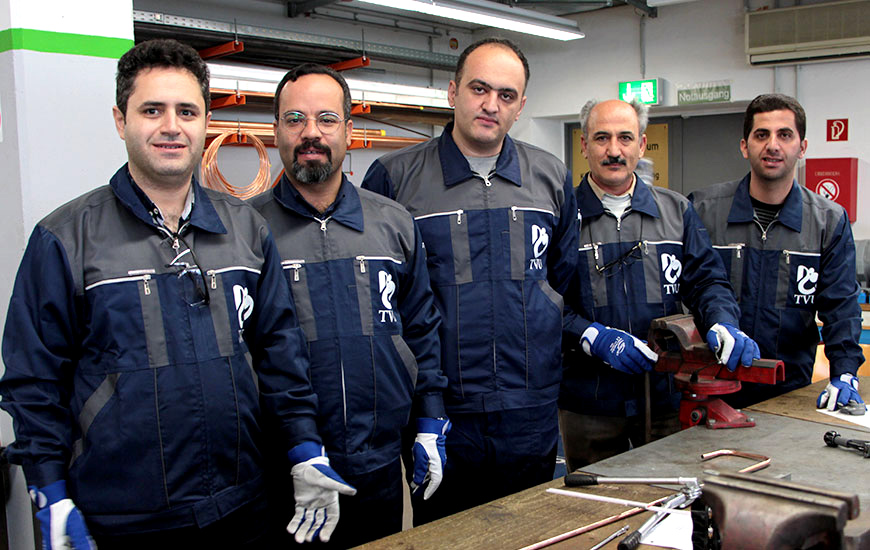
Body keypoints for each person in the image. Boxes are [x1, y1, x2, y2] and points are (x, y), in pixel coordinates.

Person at [0, 39, 355, 550]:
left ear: (205, 121)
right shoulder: (65, 239)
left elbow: (280, 352)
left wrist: (304, 448)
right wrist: (48, 488)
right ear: (121, 121)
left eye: (186, 111)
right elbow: (34, 379)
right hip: (121, 516)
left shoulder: (245, 231)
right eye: (152, 110)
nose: (171, 126)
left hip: (242, 503)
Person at [361, 37, 578, 523]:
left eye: (506, 95)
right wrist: (422, 405)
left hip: (530, 404)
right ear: (453, 91)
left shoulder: (550, 177)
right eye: (479, 88)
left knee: (529, 530)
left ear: (521, 106)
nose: (490, 104)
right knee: (448, 534)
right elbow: (383, 302)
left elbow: (559, 279)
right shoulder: (394, 178)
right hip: (440, 409)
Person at [249, 64, 449, 547]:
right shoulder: (246, 232)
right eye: (295, 119)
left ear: (349, 131)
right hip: (285, 466)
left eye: (326, 119)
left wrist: (430, 418)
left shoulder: (394, 223)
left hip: (377, 462)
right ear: (275, 129)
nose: (311, 133)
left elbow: (420, 328)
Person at [559, 99, 760, 472]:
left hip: (668, 395)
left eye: (625, 138)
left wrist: (721, 321)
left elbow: (708, 281)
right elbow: (544, 300)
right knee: (595, 510)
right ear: (584, 145)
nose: (614, 150)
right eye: (601, 138)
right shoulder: (561, 215)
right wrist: (590, 335)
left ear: (641, 144)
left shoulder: (677, 211)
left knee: (675, 501)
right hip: (591, 403)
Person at [690, 93, 865, 412]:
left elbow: (841, 307)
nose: (773, 145)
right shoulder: (702, 211)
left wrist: (846, 372)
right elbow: (688, 289)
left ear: (802, 147)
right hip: (712, 387)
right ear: (745, 146)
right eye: (761, 134)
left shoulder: (828, 221)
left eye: (785, 135)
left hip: (787, 392)